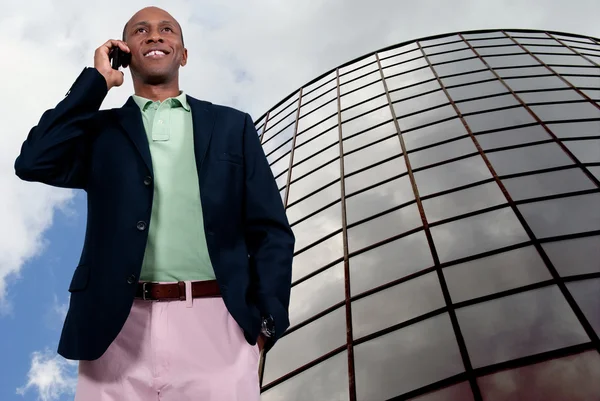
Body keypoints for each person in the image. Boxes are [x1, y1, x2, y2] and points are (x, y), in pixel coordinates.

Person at [14, 6, 294, 401]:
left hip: (217, 325)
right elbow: (32, 162)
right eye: (140, 31)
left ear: (183, 53)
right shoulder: (100, 133)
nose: (154, 36)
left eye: (167, 30)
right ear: (125, 52)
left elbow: (271, 231)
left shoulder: (233, 125)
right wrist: (95, 83)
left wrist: (266, 324)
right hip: (113, 330)